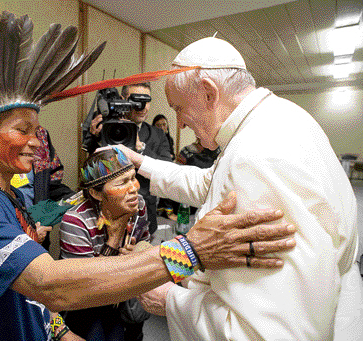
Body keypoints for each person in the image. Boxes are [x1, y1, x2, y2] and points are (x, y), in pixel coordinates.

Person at [0, 12, 297, 341]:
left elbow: (21, 292)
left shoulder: (3, 194)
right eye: (24, 130)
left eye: (38, 130)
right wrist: (190, 251)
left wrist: (60, 332)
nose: (37, 142)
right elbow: (48, 283)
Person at [113, 37, 363, 340]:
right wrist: (140, 162)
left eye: (179, 108)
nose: (179, 124)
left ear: (208, 92)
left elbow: (267, 332)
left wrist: (171, 301)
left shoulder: (256, 155)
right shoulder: (277, 119)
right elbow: (209, 182)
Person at [60, 148, 151, 340]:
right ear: (96, 193)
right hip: (86, 305)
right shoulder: (75, 221)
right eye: (122, 183)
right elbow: (85, 286)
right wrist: (114, 239)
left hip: (125, 292)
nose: (134, 188)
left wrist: (137, 254)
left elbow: (145, 242)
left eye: (133, 178)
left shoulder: (138, 205)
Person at [84, 82, 172, 234]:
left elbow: (167, 170)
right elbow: (92, 172)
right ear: (123, 99)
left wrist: (141, 147)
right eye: (136, 100)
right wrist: (93, 138)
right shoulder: (106, 127)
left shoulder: (157, 135)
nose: (142, 106)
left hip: (144, 213)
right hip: (106, 214)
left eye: (147, 101)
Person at [152, 114, 179, 221]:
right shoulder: (152, 139)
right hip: (154, 167)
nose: (162, 127)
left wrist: (171, 157)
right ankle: (167, 211)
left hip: (166, 167)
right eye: (159, 125)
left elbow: (171, 155)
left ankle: (165, 209)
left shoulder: (170, 139)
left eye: (164, 124)